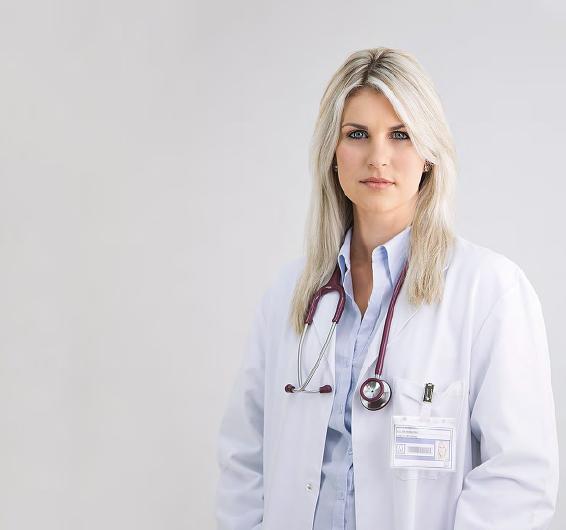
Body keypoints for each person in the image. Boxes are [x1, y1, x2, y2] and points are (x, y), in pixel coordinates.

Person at [214, 47, 559, 530]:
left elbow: (518, 477)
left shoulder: (490, 291)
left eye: (401, 134)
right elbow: (244, 457)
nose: (378, 157)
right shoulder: (289, 294)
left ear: (429, 155)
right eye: (357, 134)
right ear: (333, 153)